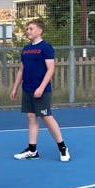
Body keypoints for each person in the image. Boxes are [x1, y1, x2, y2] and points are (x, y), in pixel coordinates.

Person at [9, 19, 70, 162]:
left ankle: (62, 147)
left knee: (46, 117)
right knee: (31, 117)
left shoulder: (46, 47)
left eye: (31, 28)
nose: (28, 31)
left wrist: (41, 87)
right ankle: (32, 150)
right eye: (27, 29)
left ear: (39, 31)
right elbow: (21, 70)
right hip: (28, 89)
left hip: (41, 90)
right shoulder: (25, 49)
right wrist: (15, 87)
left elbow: (51, 69)